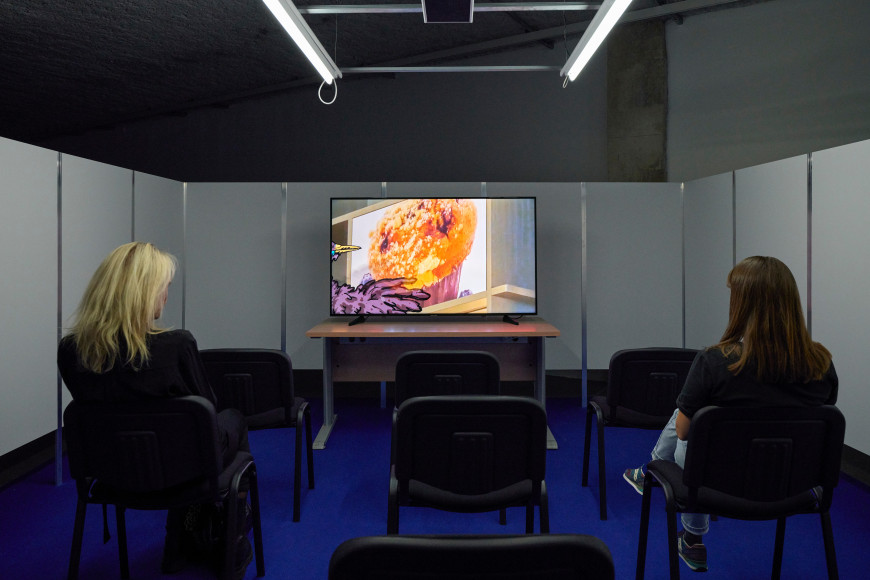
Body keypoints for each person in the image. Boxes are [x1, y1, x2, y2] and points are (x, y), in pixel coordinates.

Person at [623, 256, 838, 573]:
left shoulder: (715, 361)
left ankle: (683, 524)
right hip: (794, 489)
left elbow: (682, 432)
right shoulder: (822, 364)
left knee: (690, 419)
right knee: (693, 413)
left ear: (742, 304)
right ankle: (655, 485)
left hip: (716, 489)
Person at [57, 242, 252, 578]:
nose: (165, 296)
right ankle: (223, 531)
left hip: (111, 471)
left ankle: (184, 533)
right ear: (144, 293)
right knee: (231, 420)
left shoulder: (72, 351)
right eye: (164, 288)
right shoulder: (176, 345)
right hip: (184, 469)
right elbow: (206, 409)